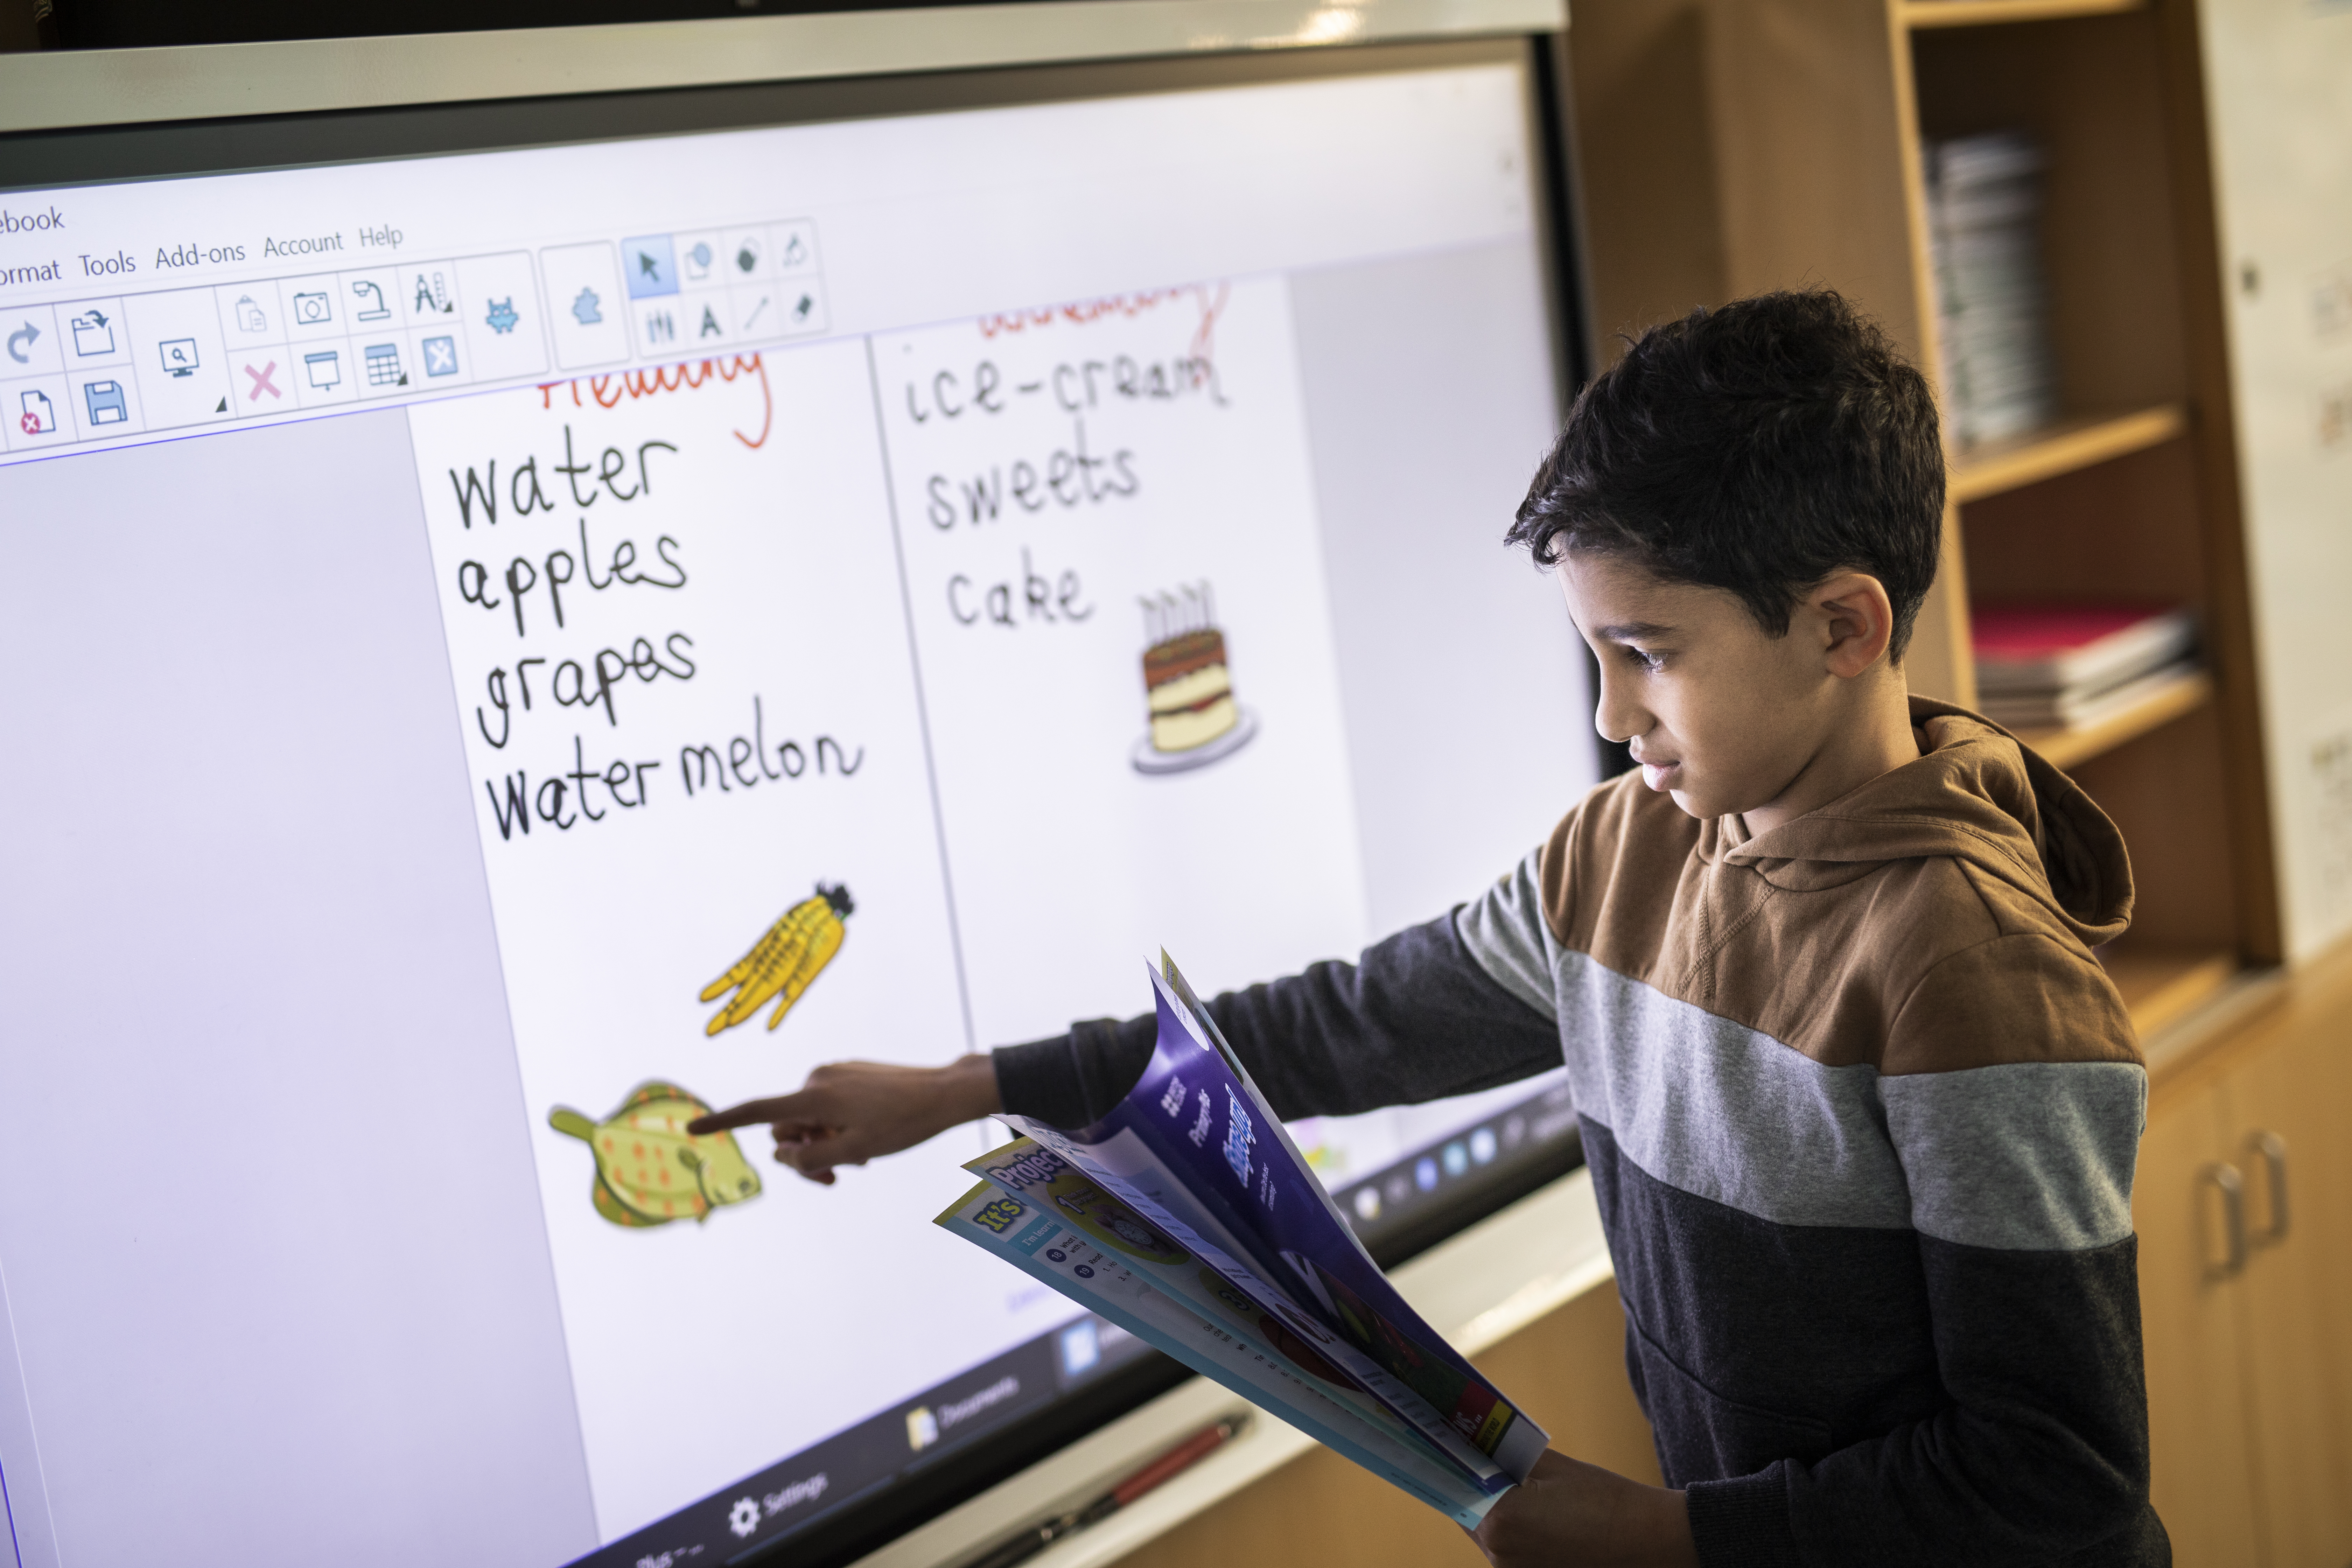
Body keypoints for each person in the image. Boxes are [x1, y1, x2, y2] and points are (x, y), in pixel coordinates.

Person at [691, 290, 2162, 1567]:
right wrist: (970, 1085)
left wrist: (1669, 1538)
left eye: (1650, 655)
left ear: (1845, 628)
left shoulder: (1978, 977)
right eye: (1595, 653)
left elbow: (2054, 1490)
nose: (1609, 716)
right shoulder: (1619, 857)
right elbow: (1339, 1027)